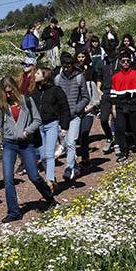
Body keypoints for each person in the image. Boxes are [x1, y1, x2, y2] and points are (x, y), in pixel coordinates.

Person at [0, 76, 56, 223]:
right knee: (8, 178)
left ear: (15, 89)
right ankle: (14, 211)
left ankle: (49, 197)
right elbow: (1, 122)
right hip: (9, 143)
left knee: (34, 176)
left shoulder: (26, 101)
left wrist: (27, 131)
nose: (9, 95)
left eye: (10, 92)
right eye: (6, 93)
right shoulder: (3, 105)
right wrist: (3, 134)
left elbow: (37, 120)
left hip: (26, 143)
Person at [32, 68, 71, 193]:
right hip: (38, 126)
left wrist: (64, 126)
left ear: (45, 76)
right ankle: (52, 178)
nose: (35, 75)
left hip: (52, 124)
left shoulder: (56, 91)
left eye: (38, 73)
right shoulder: (34, 92)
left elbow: (65, 108)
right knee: (43, 155)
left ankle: (49, 181)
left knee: (49, 154)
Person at [54, 51, 90, 181]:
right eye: (64, 66)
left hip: (74, 116)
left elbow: (86, 97)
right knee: (65, 143)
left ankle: (69, 169)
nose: (66, 68)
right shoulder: (58, 79)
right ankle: (75, 167)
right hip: (61, 117)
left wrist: (76, 109)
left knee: (71, 142)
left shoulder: (79, 77)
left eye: (68, 65)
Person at [111, 53, 136, 162]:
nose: (126, 63)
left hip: (133, 103)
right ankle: (123, 152)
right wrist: (113, 108)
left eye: (127, 61)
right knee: (120, 129)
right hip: (120, 105)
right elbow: (113, 94)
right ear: (120, 62)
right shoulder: (115, 76)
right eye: (123, 61)